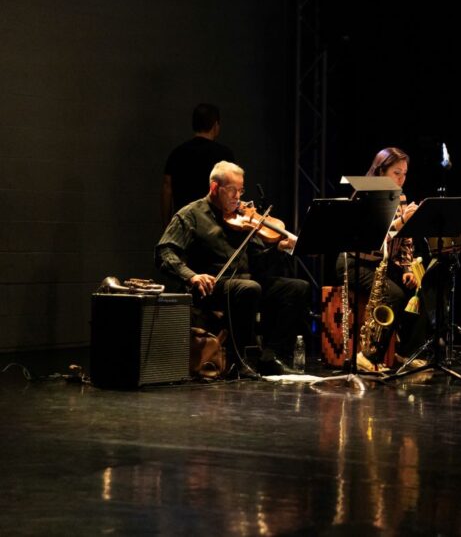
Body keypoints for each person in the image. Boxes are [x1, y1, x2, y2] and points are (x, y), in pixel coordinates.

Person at [156, 160, 309, 376]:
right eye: (232, 190)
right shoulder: (191, 214)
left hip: (248, 284)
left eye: (241, 190)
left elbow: (259, 264)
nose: (238, 197)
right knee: (249, 288)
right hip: (211, 287)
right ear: (214, 188)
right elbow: (164, 251)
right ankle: (239, 361)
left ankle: (273, 356)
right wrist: (192, 276)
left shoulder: (243, 219)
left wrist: (279, 250)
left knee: (297, 287)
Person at [338, 147, 434, 371]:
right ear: (381, 172)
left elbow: (405, 241)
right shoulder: (364, 195)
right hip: (355, 264)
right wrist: (402, 221)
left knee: (423, 285)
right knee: (393, 293)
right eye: (396, 173)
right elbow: (373, 237)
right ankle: (368, 355)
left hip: (385, 266)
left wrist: (408, 268)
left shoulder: (400, 197)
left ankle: (406, 353)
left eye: (404, 173)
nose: (402, 179)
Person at [161, 103, 235, 226]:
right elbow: (231, 191)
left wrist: (166, 225)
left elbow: (167, 189)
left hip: (183, 225)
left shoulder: (176, 154)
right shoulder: (224, 155)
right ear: (215, 125)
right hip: (214, 226)